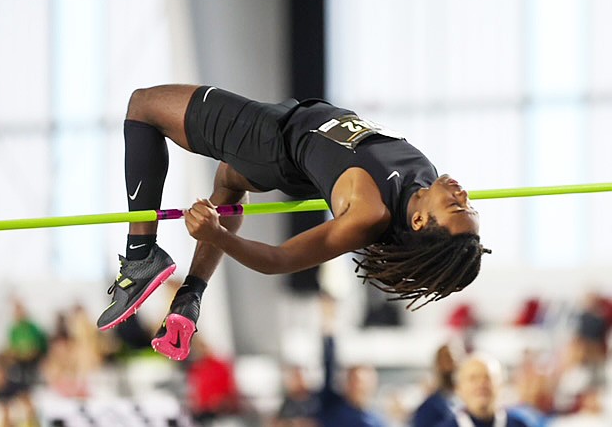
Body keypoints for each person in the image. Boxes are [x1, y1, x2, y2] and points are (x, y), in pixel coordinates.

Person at [96, 84, 490, 360]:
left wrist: (216, 233)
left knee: (144, 106)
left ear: (420, 221)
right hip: (297, 148)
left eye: (456, 208)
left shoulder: (370, 212)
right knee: (228, 183)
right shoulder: (425, 179)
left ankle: (140, 255)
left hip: (271, 139)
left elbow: (280, 260)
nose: (462, 194)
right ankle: (190, 295)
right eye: (469, 205)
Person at [437, 354, 532, 427]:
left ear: (501, 385)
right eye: (473, 378)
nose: (481, 384)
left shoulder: (520, 425)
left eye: (487, 377)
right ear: (458, 388)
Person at [412, 343, 463, 427]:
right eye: (447, 359)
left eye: (457, 359)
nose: (453, 364)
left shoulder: (469, 402)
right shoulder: (429, 408)